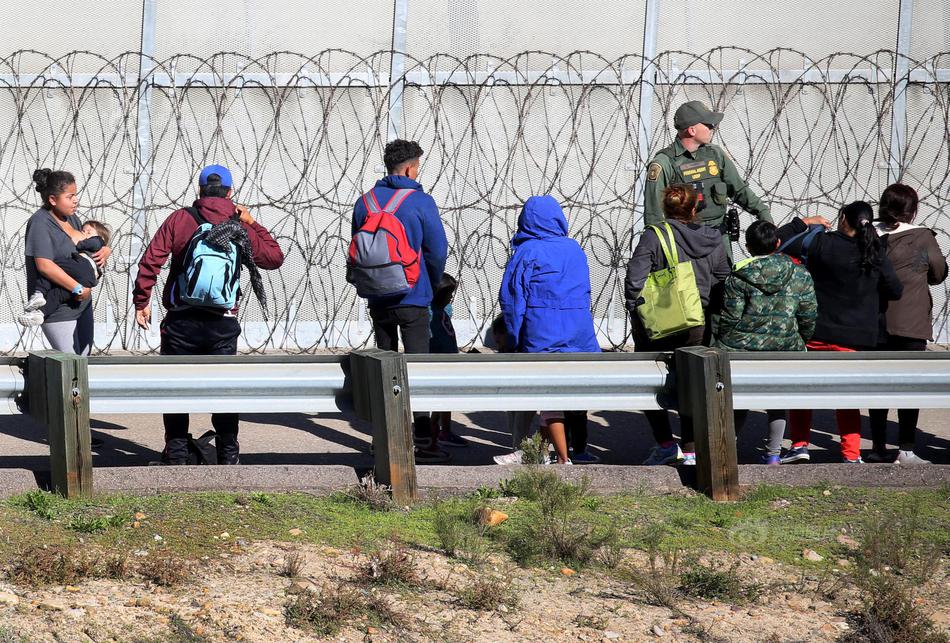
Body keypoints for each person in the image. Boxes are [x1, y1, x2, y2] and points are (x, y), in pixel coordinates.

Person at [133, 164, 285, 465]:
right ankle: (229, 454)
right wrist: (252, 222)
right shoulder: (237, 224)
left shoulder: (181, 218)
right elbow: (274, 258)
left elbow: (152, 259)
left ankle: (176, 455)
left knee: (175, 390)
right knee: (225, 390)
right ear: (230, 192)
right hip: (222, 322)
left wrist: (142, 300)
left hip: (181, 321)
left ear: (200, 190)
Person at [777, 201, 903, 464]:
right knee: (847, 397)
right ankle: (851, 453)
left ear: (843, 218)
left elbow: (780, 243)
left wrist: (804, 223)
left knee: (803, 390)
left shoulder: (822, 243)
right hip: (855, 337)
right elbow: (895, 289)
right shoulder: (874, 250)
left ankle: (800, 444)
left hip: (816, 331)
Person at [351, 139, 449, 463]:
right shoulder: (421, 202)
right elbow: (437, 250)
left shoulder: (365, 202)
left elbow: (359, 250)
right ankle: (421, 434)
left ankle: (385, 436)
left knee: (385, 366)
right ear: (409, 168)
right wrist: (431, 285)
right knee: (418, 367)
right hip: (413, 296)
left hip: (378, 296)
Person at [626, 184, 731, 466]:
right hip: (698, 323)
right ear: (695, 209)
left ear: (665, 208)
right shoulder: (714, 239)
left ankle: (664, 444)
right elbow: (724, 279)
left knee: (648, 384)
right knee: (692, 384)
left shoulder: (654, 236)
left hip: (661, 321)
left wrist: (637, 311)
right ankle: (692, 450)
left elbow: (635, 280)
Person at [499, 195, 600, 465]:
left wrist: (513, 338)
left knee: (537, 394)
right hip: (579, 337)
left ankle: (536, 452)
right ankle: (564, 451)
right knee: (566, 396)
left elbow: (512, 301)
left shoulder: (527, 251)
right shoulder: (574, 249)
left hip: (542, 336)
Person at [715, 221, 818, 464]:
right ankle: (773, 455)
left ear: (749, 247)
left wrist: (727, 339)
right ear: (778, 243)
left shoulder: (739, 276)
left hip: (742, 347)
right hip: (786, 346)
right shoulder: (799, 273)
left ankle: (726, 450)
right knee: (776, 400)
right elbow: (808, 314)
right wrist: (799, 338)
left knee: (737, 400)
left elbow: (730, 317)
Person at [867, 184, 948, 464]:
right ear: (912, 210)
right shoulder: (922, 237)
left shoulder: (868, 234)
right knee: (909, 386)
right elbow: (938, 272)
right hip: (911, 323)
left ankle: (878, 447)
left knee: (878, 388)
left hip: (874, 323)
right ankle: (906, 447)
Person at [644, 100, 772, 257]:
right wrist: (660, 251)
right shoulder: (664, 162)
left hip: (718, 239)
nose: (713, 128)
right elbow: (654, 214)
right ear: (691, 130)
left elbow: (739, 190)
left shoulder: (715, 154)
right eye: (708, 125)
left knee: (724, 281)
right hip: (685, 243)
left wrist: (764, 214)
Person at [24, 169, 111, 355]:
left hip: (82, 304)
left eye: (76, 195)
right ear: (53, 200)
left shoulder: (71, 218)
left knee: (83, 362)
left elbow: (85, 248)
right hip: (58, 308)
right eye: (70, 196)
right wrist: (77, 288)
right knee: (70, 367)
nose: (75, 200)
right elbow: (45, 265)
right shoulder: (40, 223)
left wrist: (105, 249)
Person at [19, 220, 111, 327]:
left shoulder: (98, 242)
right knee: (58, 294)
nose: (84, 233)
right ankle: (40, 313)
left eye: (89, 232)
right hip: (86, 281)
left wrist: (77, 242)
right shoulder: (100, 249)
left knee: (52, 267)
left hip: (83, 266)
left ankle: (39, 292)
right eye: (82, 230)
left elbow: (92, 242)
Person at [489, 314, 538, 465]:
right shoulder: (506, 350)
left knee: (520, 423)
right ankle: (522, 450)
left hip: (526, 392)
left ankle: (520, 452)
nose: (498, 345)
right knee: (513, 422)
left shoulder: (521, 349)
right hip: (513, 392)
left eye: (499, 340)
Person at [429, 273, 469, 447]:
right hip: (438, 359)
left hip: (448, 359)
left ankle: (443, 429)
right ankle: (435, 429)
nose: (451, 297)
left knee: (446, 397)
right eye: (448, 294)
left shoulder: (444, 310)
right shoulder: (430, 314)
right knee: (441, 397)